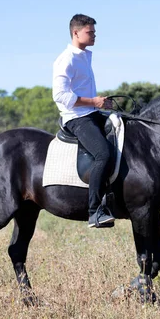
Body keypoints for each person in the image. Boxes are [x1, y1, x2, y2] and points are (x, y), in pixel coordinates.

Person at [52, 14, 115, 228]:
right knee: (103, 154)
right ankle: (94, 212)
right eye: (90, 32)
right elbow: (60, 95)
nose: (94, 35)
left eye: (94, 32)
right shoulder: (66, 59)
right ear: (76, 32)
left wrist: (102, 104)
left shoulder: (85, 56)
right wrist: (93, 102)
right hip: (76, 118)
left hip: (90, 112)